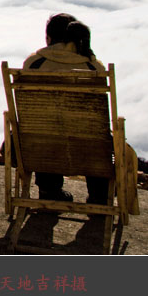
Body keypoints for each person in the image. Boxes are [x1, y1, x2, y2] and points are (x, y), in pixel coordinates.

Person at [22, 14, 110, 204]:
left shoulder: (33, 64)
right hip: (87, 147)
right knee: (100, 135)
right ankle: (100, 197)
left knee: (42, 128)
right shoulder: (92, 66)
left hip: (38, 147)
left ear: (48, 38)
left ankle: (49, 190)